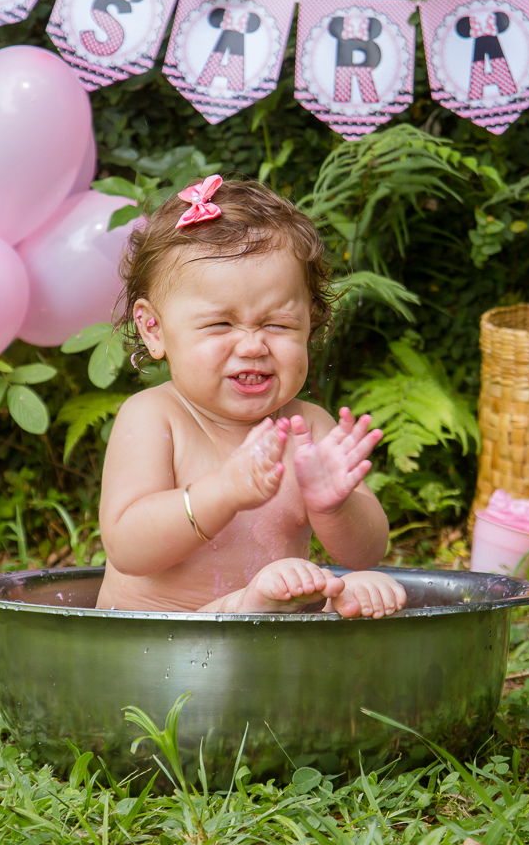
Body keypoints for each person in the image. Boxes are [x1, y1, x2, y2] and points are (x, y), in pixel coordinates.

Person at [97, 175, 406, 618]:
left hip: (266, 653)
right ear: (154, 329)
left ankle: (302, 611)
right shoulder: (153, 418)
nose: (252, 346)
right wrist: (223, 491)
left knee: (360, 582)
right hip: (160, 644)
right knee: (268, 600)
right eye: (220, 324)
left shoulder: (308, 428)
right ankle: (246, 607)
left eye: (277, 324)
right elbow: (128, 547)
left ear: (311, 322)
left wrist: (335, 506)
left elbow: (368, 550)